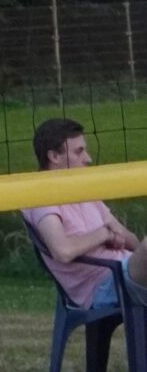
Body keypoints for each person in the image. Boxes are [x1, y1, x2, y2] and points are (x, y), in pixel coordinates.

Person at [24, 116, 147, 310]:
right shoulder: (41, 197)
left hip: (128, 272)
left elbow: (133, 241)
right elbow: (63, 252)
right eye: (79, 151)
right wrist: (104, 234)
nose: (88, 159)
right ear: (54, 157)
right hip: (105, 286)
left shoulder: (83, 191)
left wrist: (118, 236)